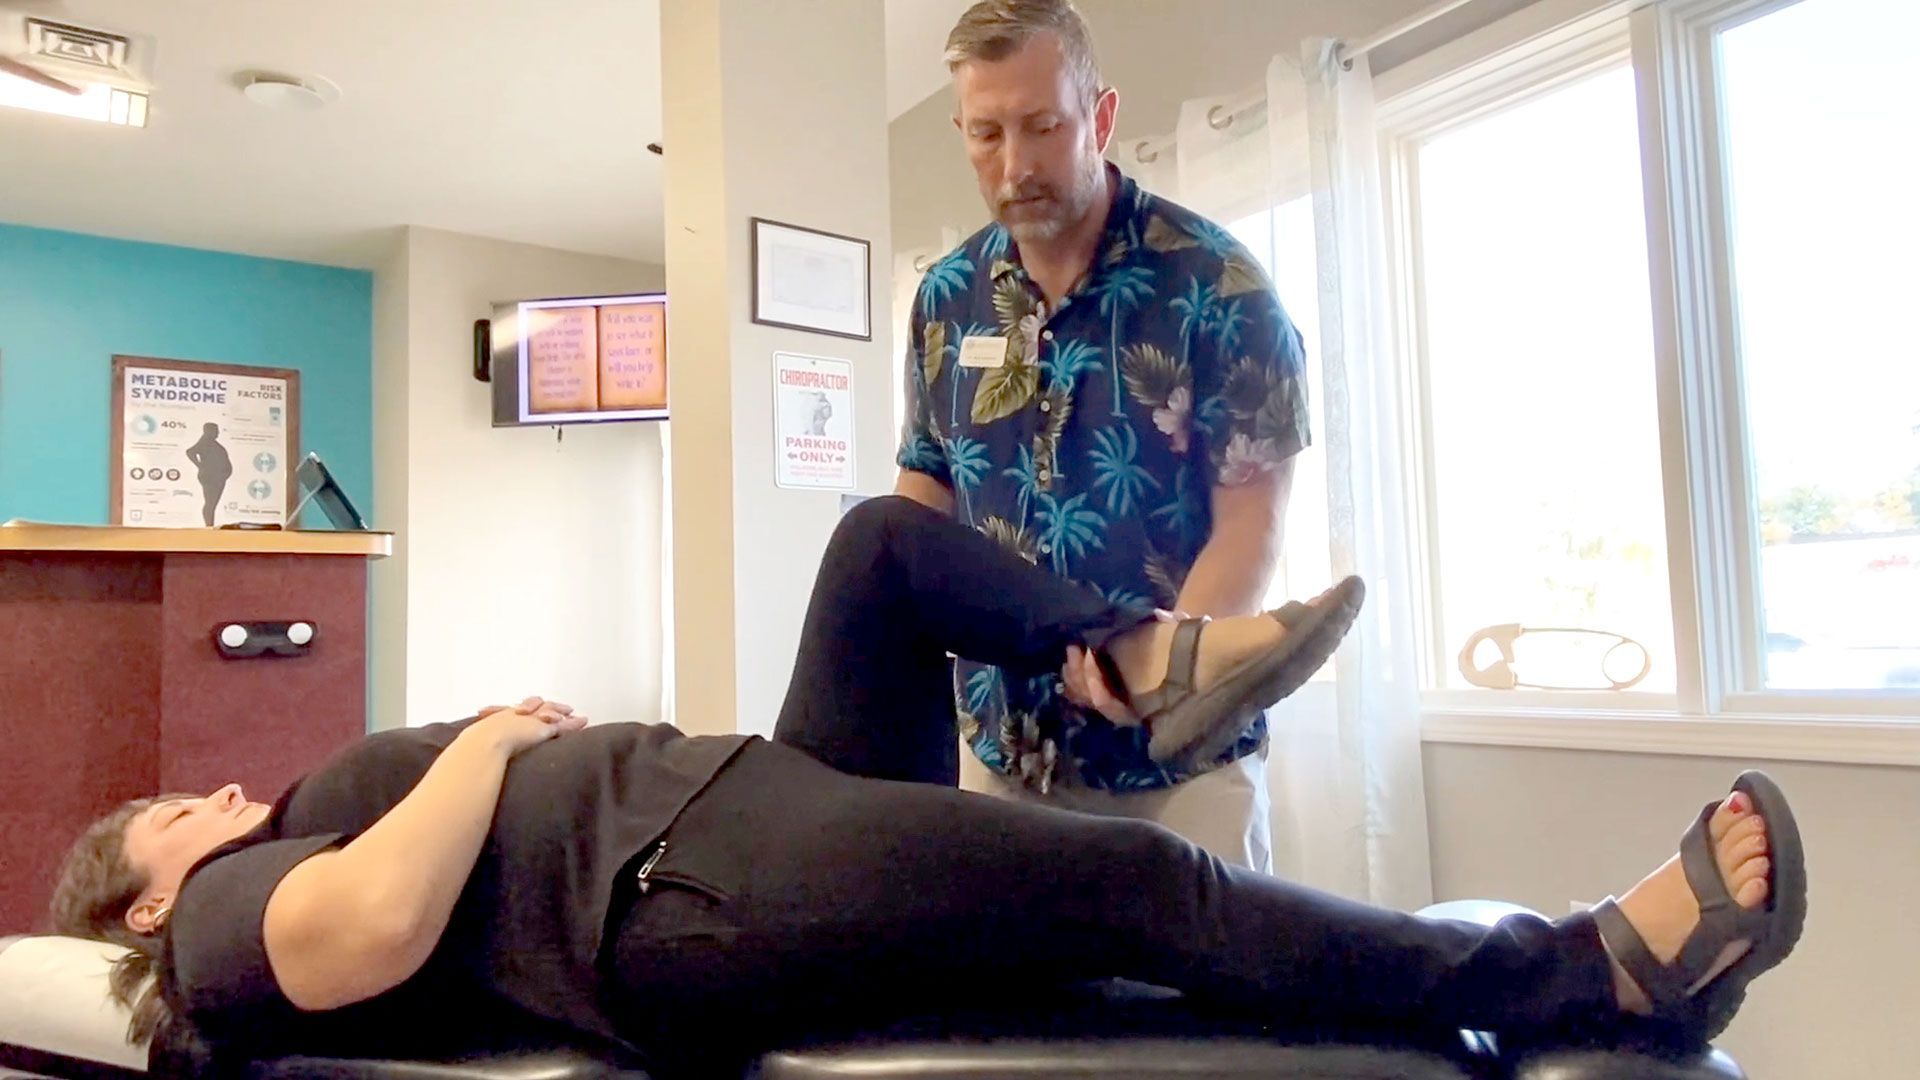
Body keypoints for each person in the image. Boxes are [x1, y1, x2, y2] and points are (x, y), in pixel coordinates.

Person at [49, 498, 1804, 1079]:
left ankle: (1136, 656)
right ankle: (1578, 969)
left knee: (883, 547)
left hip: (722, 808)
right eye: (173, 810)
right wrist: (493, 744)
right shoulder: (211, 925)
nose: (212, 793)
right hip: (683, 886)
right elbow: (364, 931)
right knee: (1136, 890)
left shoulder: (281, 835)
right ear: (143, 891)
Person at [894, 0, 1318, 868]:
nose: (1016, 164)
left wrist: (1161, 670)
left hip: (1182, 765)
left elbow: (1254, 520)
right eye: (986, 134)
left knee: (1204, 964)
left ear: (1102, 115)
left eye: (1043, 126)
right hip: (1003, 755)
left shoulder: (1220, 285)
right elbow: (924, 494)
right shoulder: (945, 300)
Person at [183, 422, 232, 528]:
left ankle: (210, 524)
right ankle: (209, 525)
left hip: (219, 478)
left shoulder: (214, 444)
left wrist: (225, 473)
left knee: (212, 504)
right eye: (216, 430)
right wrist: (200, 465)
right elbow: (190, 452)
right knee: (210, 503)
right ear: (209, 431)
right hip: (211, 477)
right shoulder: (204, 442)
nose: (218, 433)